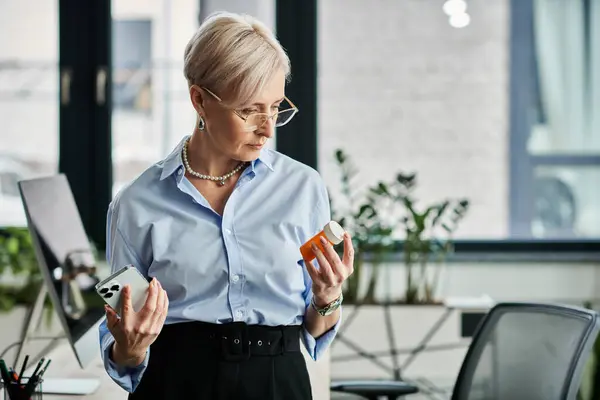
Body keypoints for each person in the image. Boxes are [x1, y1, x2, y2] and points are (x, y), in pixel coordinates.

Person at [98, 11, 355, 400]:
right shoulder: (135, 203)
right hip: (174, 384)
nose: (267, 128)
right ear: (199, 99)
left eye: (276, 107)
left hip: (277, 382)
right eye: (249, 110)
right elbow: (120, 345)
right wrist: (130, 347)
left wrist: (327, 298)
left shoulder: (303, 188)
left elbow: (316, 331)